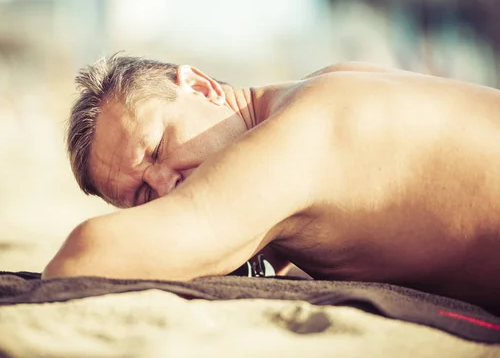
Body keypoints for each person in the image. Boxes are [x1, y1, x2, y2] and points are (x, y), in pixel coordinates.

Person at [43, 54, 500, 314]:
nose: (165, 187)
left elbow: (82, 257)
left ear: (202, 87)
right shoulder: (326, 84)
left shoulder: (297, 132)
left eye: (158, 148)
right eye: (142, 196)